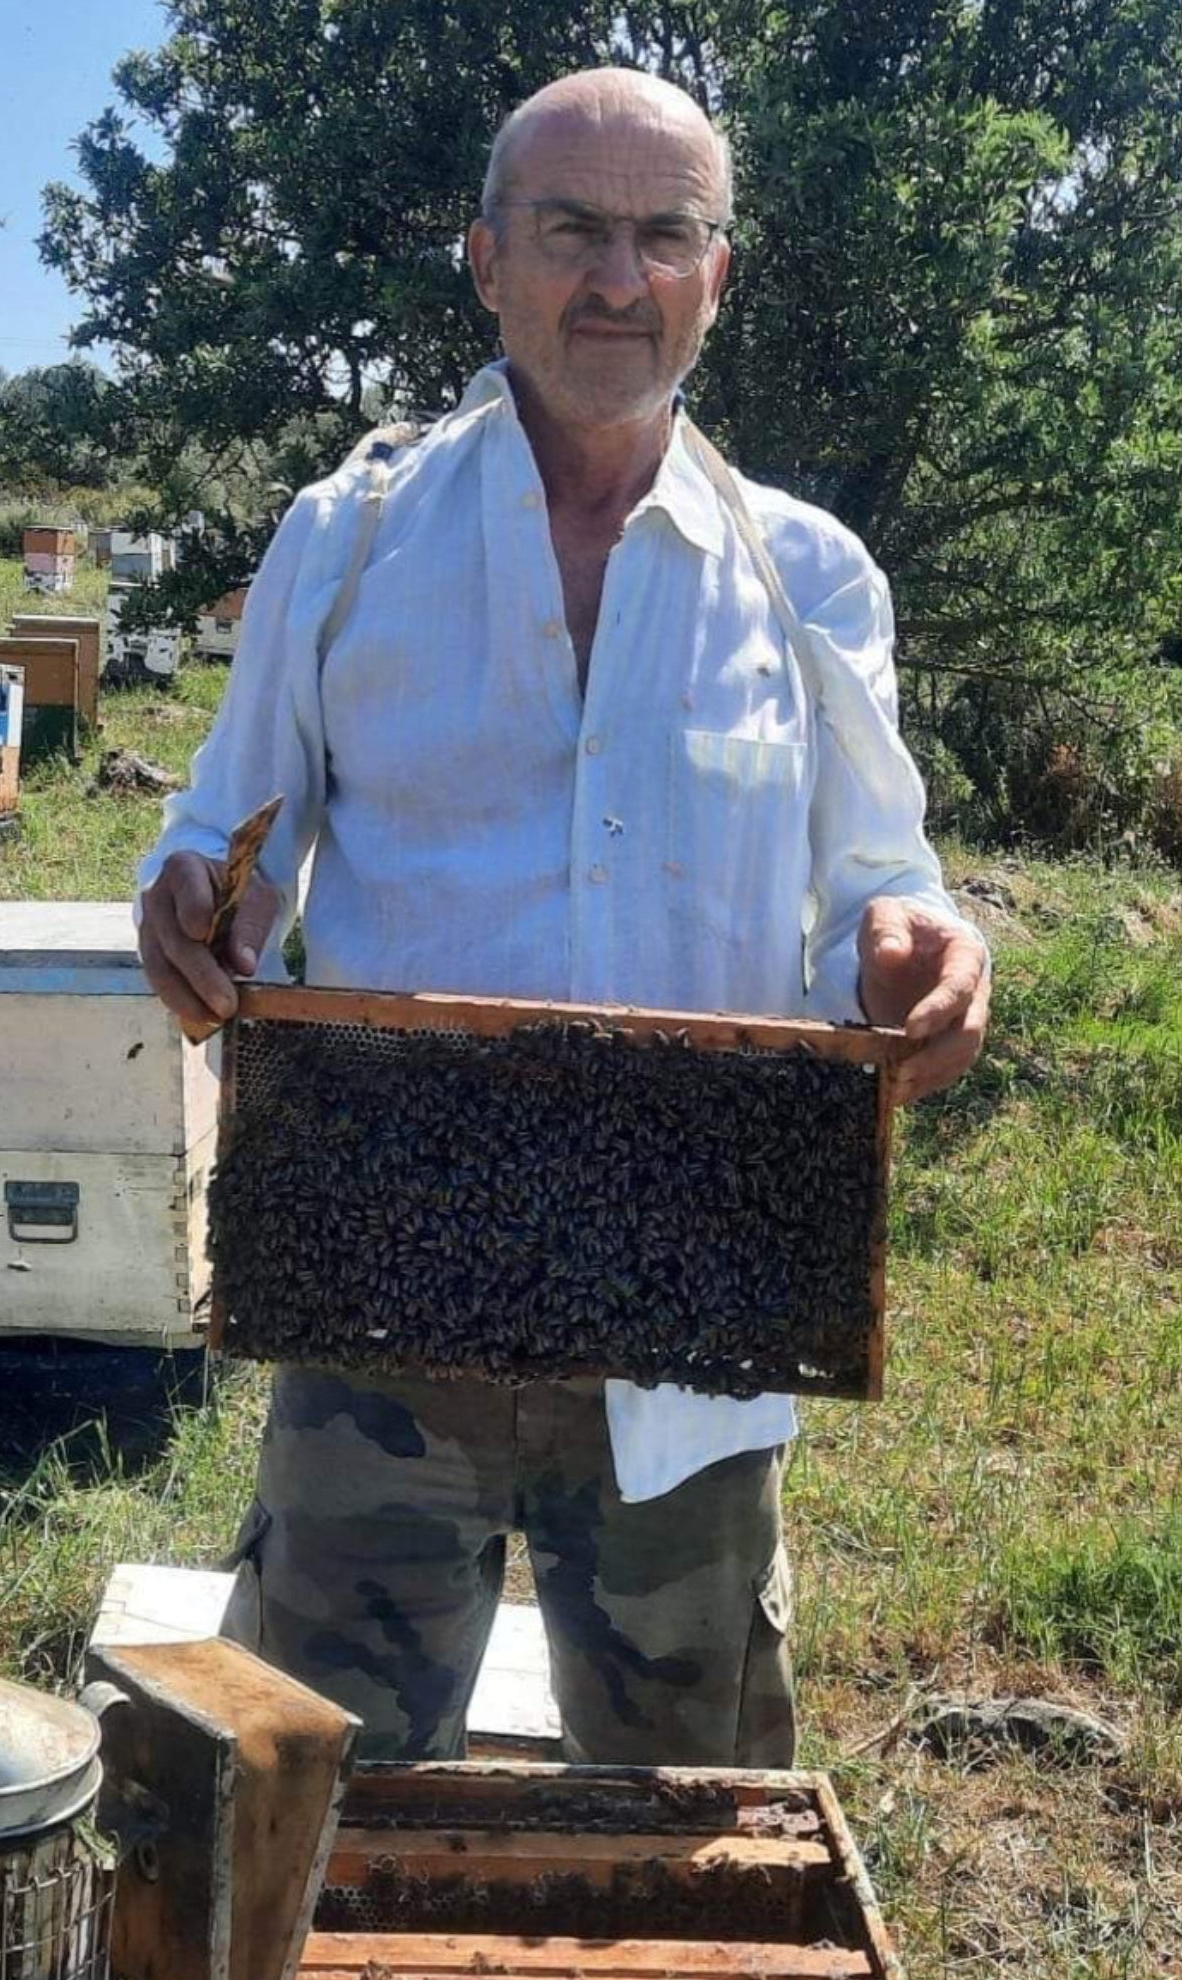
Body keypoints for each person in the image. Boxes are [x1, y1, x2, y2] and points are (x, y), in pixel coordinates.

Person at [136, 67, 990, 1766]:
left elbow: (876, 881)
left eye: (664, 234)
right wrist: (192, 906)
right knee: (323, 1803)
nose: (620, 278)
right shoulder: (348, 535)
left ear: (718, 275)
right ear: (487, 262)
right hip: (382, 1308)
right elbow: (230, 836)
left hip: (695, 1337)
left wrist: (918, 948)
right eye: (573, 230)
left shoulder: (812, 578)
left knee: (689, 1829)